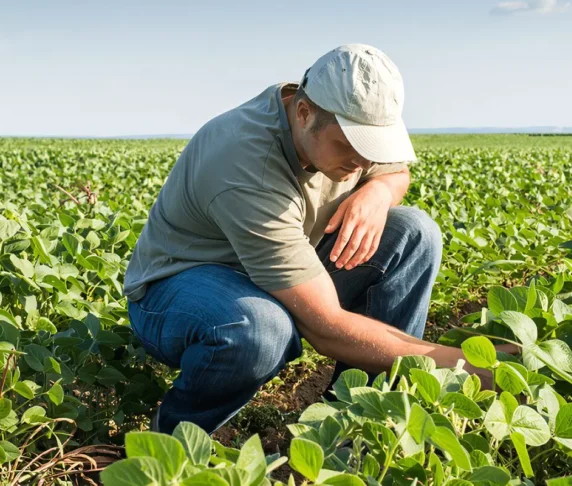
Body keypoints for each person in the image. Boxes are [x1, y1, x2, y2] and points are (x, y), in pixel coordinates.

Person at [123, 44, 517, 435]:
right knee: (261, 329)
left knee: (414, 233)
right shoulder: (246, 164)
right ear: (304, 113)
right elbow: (326, 327)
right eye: (352, 147)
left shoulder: (337, 117)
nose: (363, 163)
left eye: (372, 148)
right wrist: (467, 367)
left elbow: (396, 173)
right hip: (181, 289)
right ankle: (171, 437)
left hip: (280, 270)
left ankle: (358, 421)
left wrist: (376, 193)